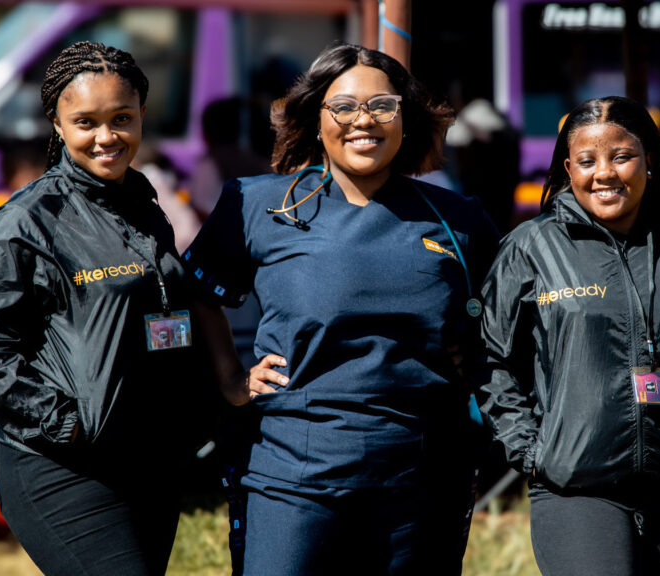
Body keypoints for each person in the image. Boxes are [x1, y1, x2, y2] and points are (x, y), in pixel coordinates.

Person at [183, 41, 500, 575]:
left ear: (406, 118)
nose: (364, 120)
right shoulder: (260, 204)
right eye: (344, 106)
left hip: (423, 479)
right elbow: (195, 288)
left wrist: (476, 361)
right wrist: (230, 378)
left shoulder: (456, 218)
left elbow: (507, 311)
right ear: (315, 117)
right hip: (293, 475)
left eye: (383, 106)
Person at [0, 41, 222, 576]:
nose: (107, 136)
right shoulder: (27, 222)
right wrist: (69, 424)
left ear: (142, 114)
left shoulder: (145, 206)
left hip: (148, 459)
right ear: (57, 124)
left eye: (122, 118)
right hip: (62, 466)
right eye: (86, 122)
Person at [478, 96, 660, 575]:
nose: (604, 173)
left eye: (621, 156)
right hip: (578, 491)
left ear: (649, 160)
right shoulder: (531, 248)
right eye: (587, 161)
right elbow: (492, 360)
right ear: (568, 169)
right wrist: (531, 451)